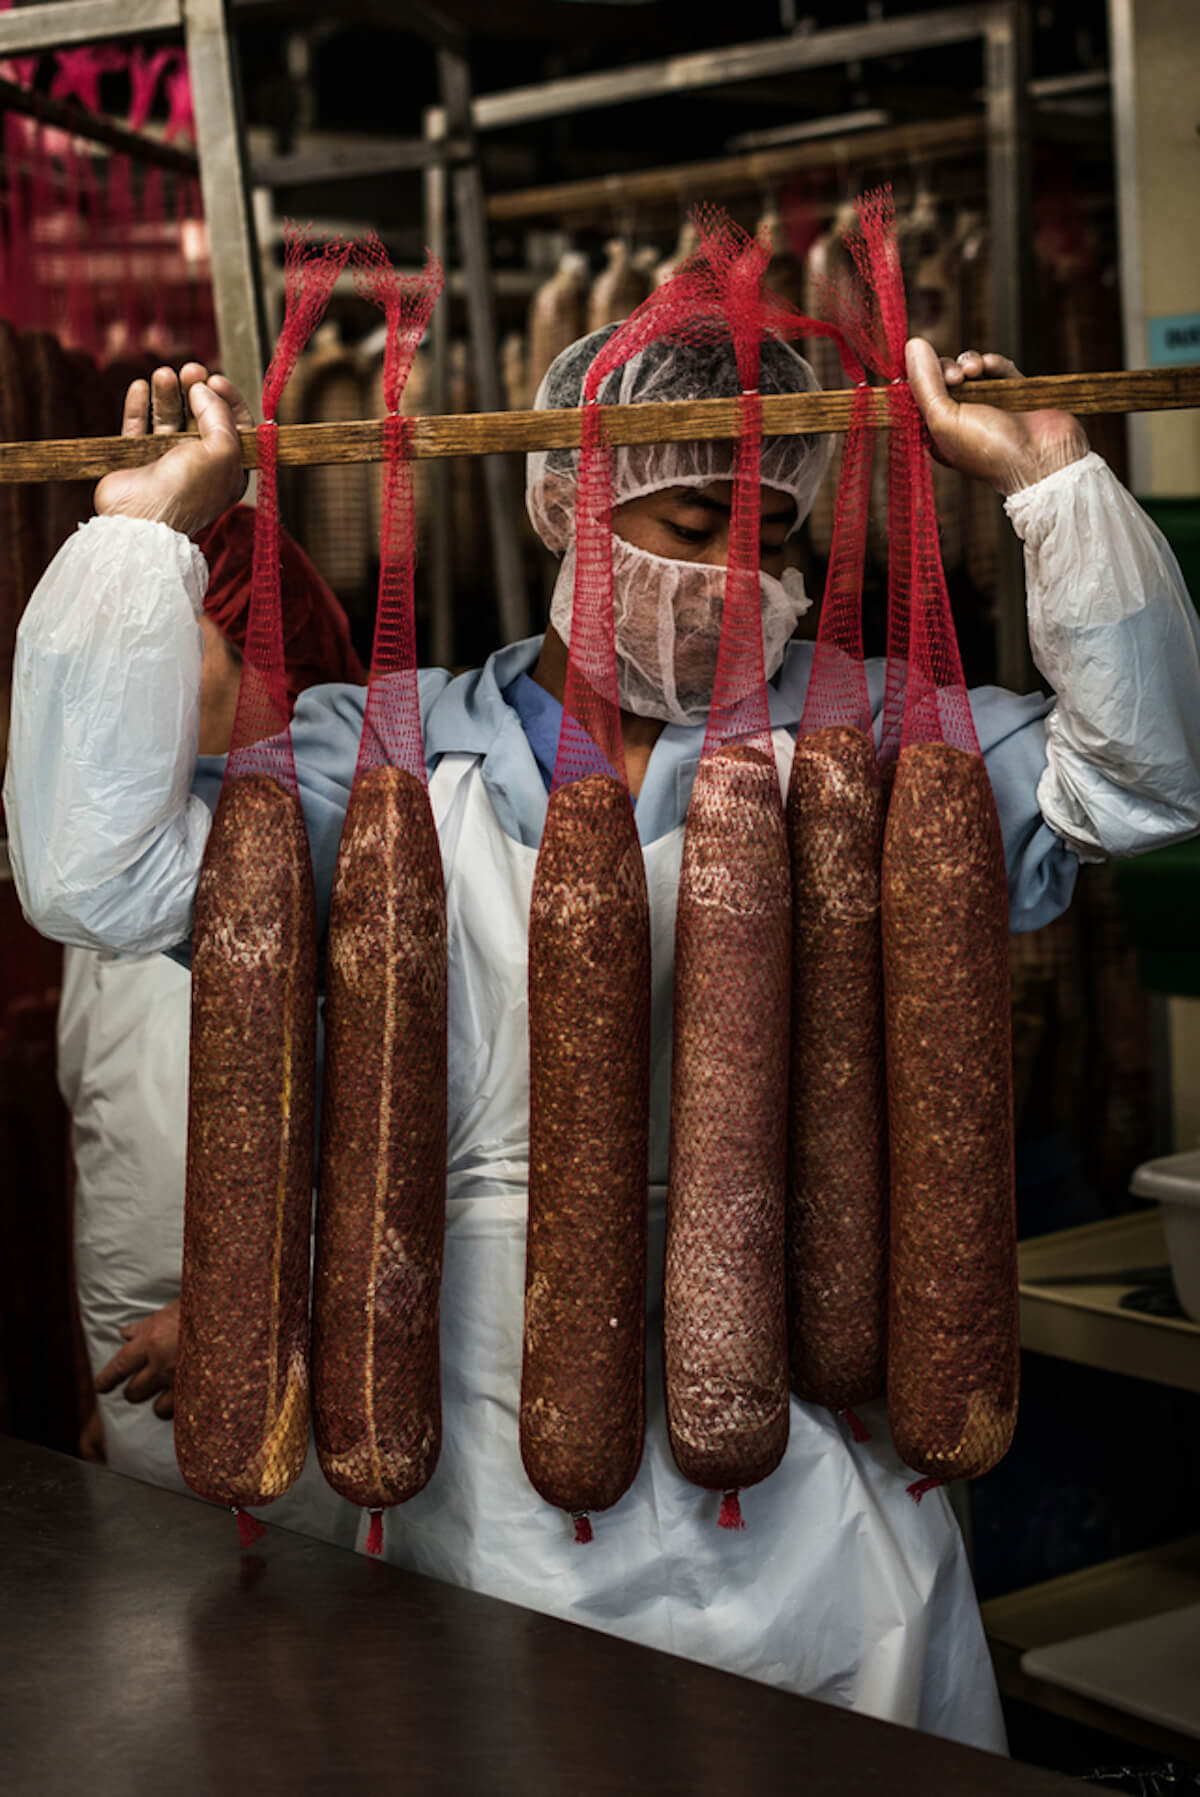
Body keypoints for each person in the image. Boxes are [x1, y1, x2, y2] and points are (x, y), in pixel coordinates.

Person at [5, 329, 1199, 1757]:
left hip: (819, 1524)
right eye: (695, 521)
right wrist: (141, 545)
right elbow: (89, 875)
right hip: (472, 1494)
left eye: (776, 539)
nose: (745, 582)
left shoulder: (877, 740)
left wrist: (1057, 485)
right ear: (572, 506)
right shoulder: (379, 753)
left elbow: (1144, 785)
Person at [54, 490, 364, 1536]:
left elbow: (389, 1148)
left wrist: (242, 1308)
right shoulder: (106, 882)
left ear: (265, 662)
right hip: (131, 1411)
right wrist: (82, 1379)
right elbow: (92, 1131)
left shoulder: (338, 855)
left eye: (163, 647)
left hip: (300, 1395)